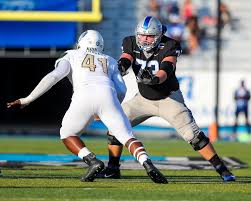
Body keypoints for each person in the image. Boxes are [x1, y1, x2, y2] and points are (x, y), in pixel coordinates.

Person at [7, 30, 167, 184]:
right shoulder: (110, 60)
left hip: (83, 95)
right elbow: (121, 89)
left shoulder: (71, 55)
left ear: (81, 43)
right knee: (127, 136)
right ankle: (147, 163)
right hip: (108, 95)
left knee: (67, 133)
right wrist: (111, 107)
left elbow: (54, 76)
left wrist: (27, 99)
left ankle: (92, 161)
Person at [97, 16, 235, 182]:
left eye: (149, 36)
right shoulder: (130, 41)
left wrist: (155, 79)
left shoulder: (170, 44)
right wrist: (122, 65)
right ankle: (112, 169)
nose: (144, 39)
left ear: (158, 35)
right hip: (143, 98)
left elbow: (167, 67)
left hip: (168, 98)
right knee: (115, 126)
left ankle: (222, 168)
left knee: (194, 136)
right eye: (141, 35)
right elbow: (127, 57)